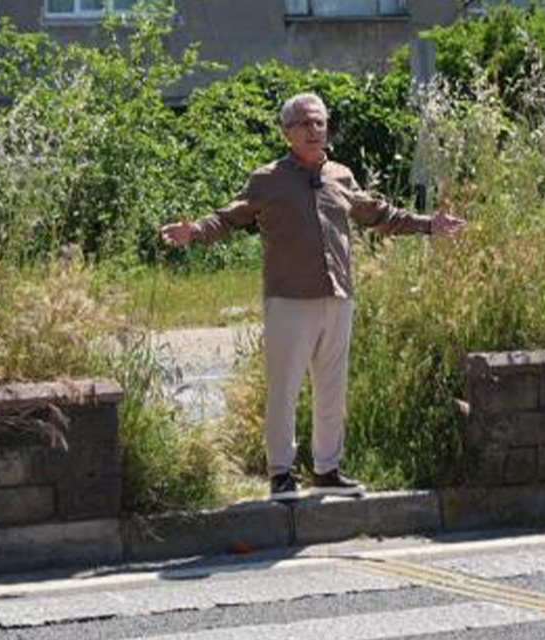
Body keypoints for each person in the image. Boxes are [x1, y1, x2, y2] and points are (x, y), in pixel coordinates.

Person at [160, 93, 467, 501]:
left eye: (319, 122)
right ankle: (281, 475)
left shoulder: (341, 175)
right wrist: (193, 232)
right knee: (284, 389)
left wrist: (430, 224)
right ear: (287, 132)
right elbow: (228, 217)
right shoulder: (267, 179)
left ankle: (327, 470)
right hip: (289, 299)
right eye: (304, 123)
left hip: (338, 298)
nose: (313, 130)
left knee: (332, 389)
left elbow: (380, 214)